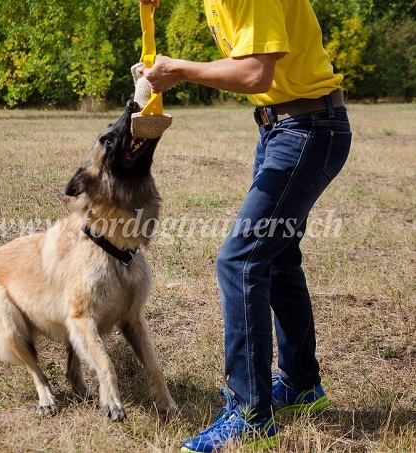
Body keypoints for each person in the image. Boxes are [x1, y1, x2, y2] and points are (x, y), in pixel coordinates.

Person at [138, 1, 352, 451]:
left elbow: (256, 73)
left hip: (307, 129)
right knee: (275, 260)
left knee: (240, 261)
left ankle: (250, 414)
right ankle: (299, 384)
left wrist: (179, 69)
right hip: (285, 126)